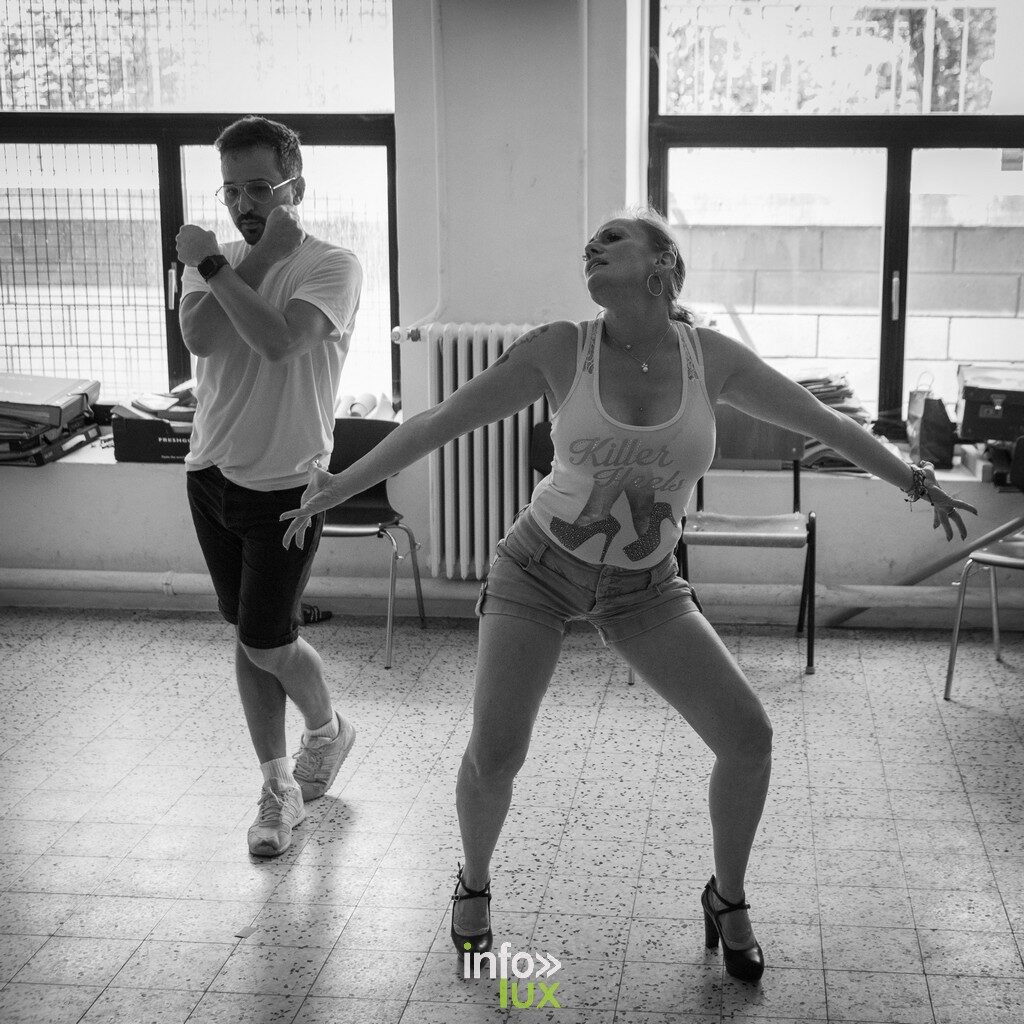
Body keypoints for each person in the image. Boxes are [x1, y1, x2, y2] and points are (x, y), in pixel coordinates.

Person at [280, 208, 977, 981]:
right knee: (498, 752)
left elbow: (822, 422)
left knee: (749, 738)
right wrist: (338, 487)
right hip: (537, 569)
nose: (594, 247)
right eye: (590, 243)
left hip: (646, 585)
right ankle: (472, 882)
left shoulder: (710, 359)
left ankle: (729, 896)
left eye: (614, 238)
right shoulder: (560, 348)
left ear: (662, 264)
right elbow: (440, 420)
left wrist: (914, 479)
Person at [175, 115, 362, 857]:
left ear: (295, 187)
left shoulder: (332, 264)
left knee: (264, 638)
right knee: (250, 638)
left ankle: (326, 732)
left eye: (260, 187)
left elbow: (280, 343)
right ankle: (281, 779)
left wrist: (228, 269)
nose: (243, 204)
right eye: (231, 189)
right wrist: (233, 265)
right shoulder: (219, 262)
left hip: (288, 485)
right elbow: (201, 337)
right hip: (209, 471)